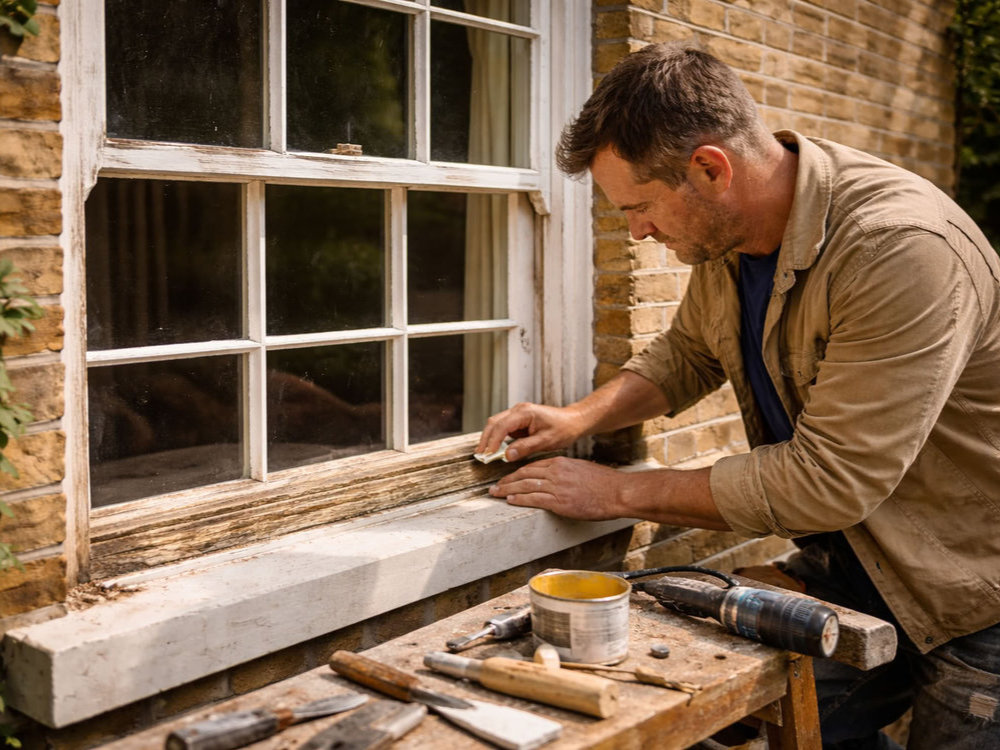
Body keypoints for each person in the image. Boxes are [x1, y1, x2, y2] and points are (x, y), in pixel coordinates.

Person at [476, 41, 1000, 749]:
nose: (637, 231)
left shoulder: (898, 250)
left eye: (640, 207)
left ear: (710, 169)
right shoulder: (734, 237)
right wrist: (579, 418)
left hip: (973, 592)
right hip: (855, 566)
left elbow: (829, 480)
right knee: (781, 726)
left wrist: (614, 493)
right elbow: (690, 352)